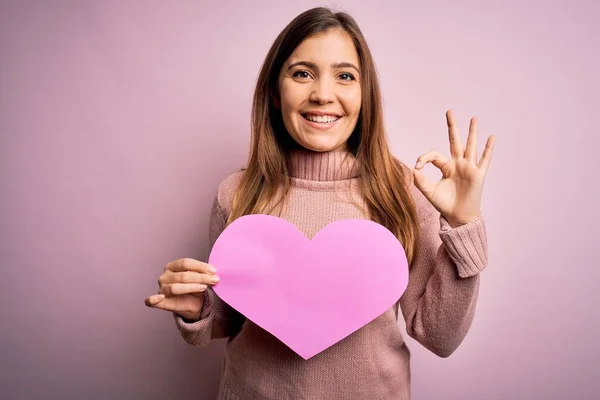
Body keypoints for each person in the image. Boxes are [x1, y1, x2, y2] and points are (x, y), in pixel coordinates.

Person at [145, 6, 495, 400]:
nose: (323, 94)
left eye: (345, 76)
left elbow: (439, 336)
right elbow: (231, 317)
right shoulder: (236, 193)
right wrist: (197, 309)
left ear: (365, 96)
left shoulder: (402, 192)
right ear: (275, 93)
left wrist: (464, 222)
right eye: (302, 73)